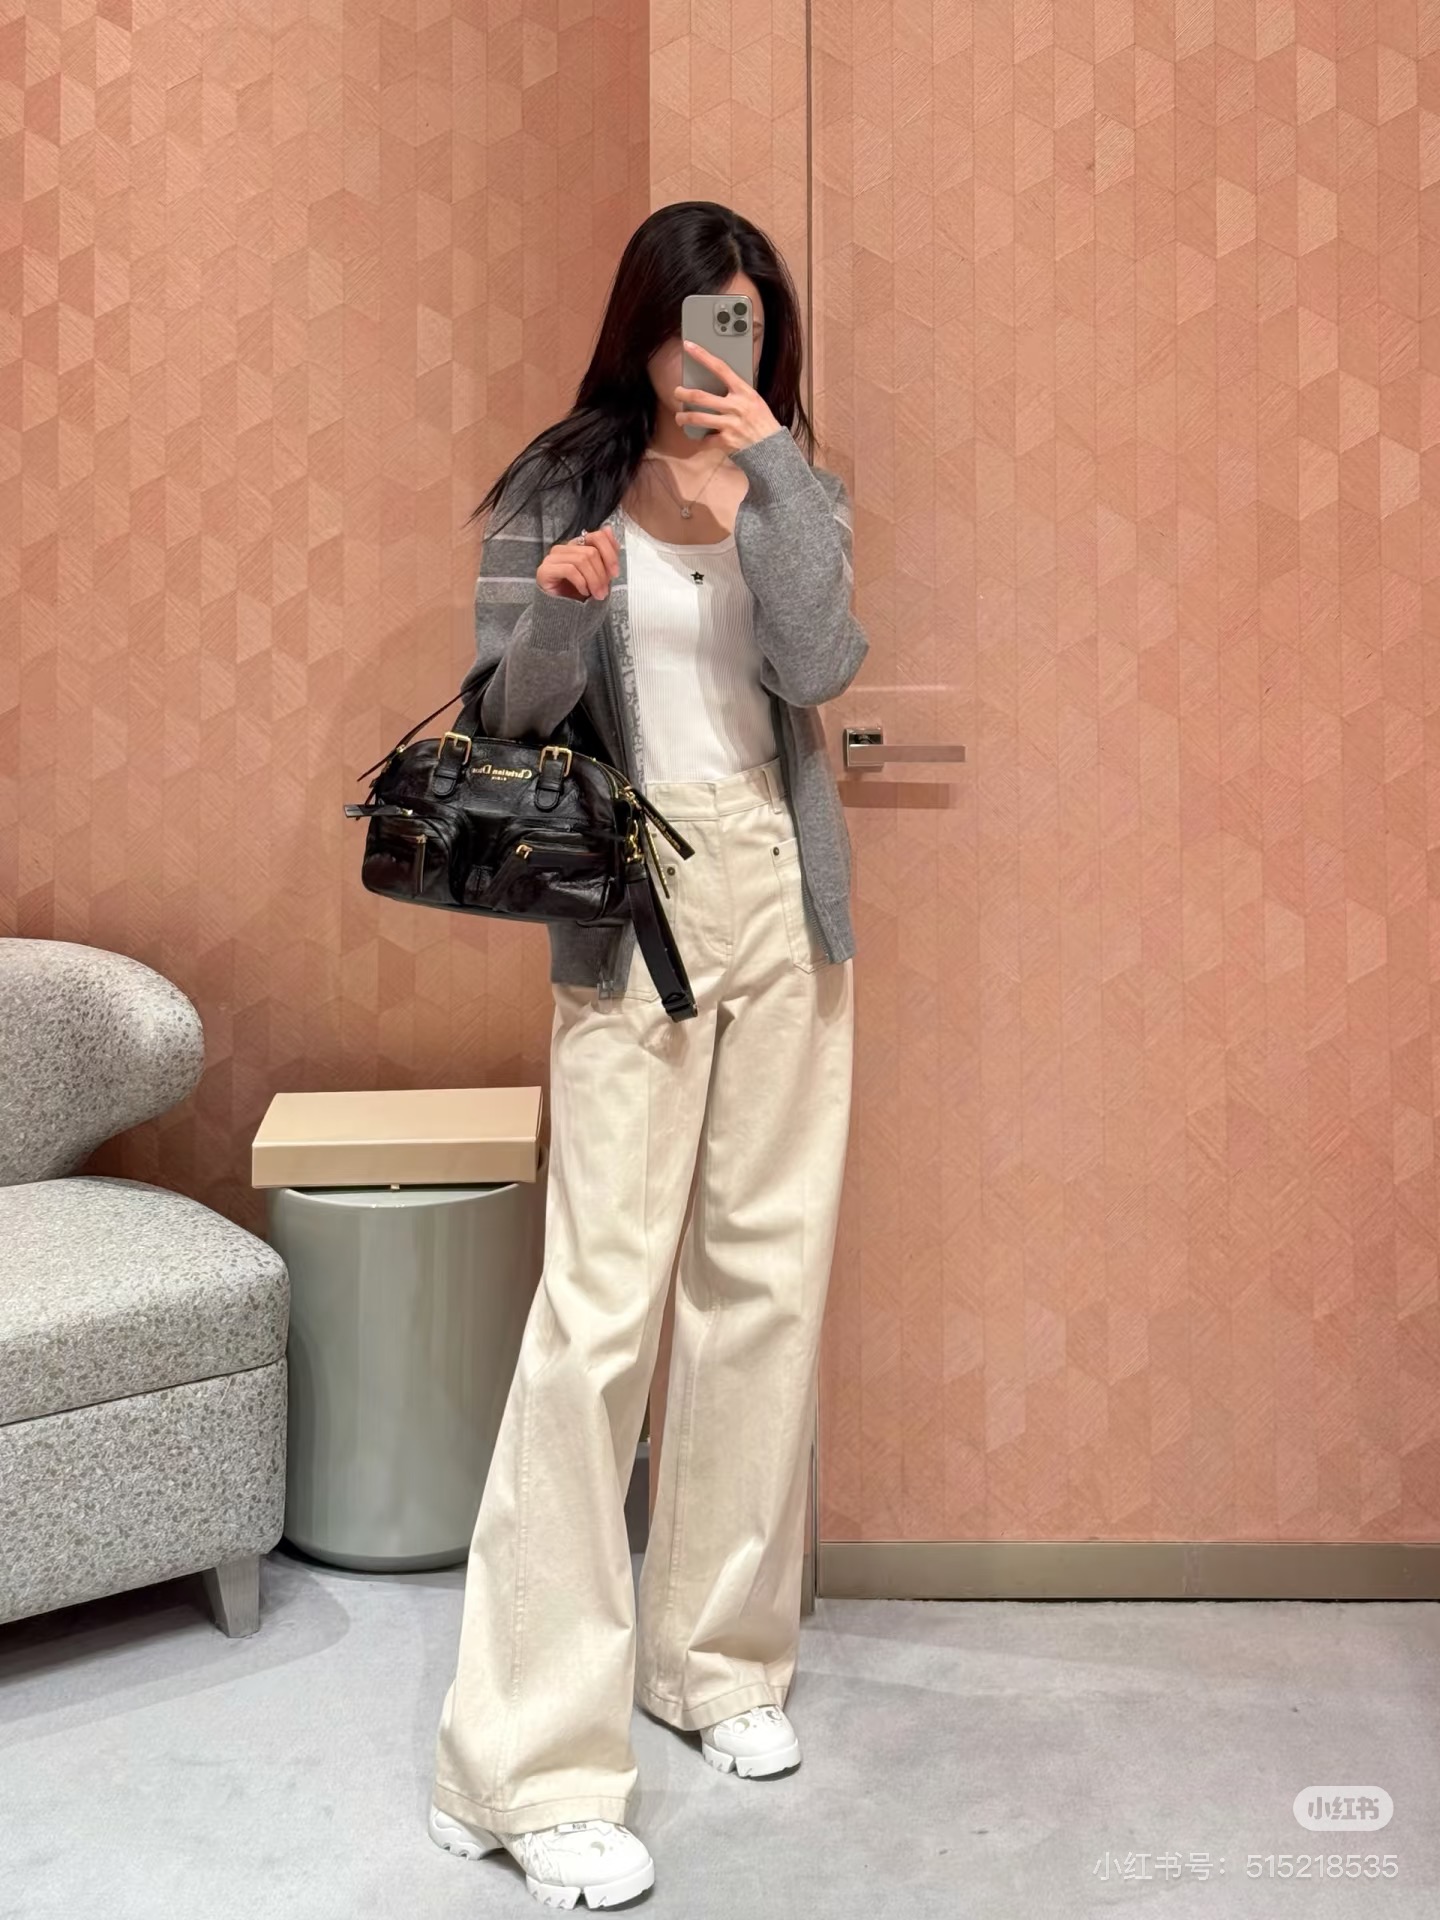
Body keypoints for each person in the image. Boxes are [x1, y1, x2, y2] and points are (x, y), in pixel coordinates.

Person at [426, 200, 868, 1911]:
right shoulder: (557, 486)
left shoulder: (792, 480)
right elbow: (506, 722)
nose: (720, 357)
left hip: (781, 890)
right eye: (698, 326)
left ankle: (714, 1662)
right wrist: (555, 612)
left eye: (747, 326)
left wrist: (775, 479)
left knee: (765, 1281)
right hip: (635, 910)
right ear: (643, 330)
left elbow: (824, 661)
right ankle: (521, 1770)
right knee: (599, 1318)